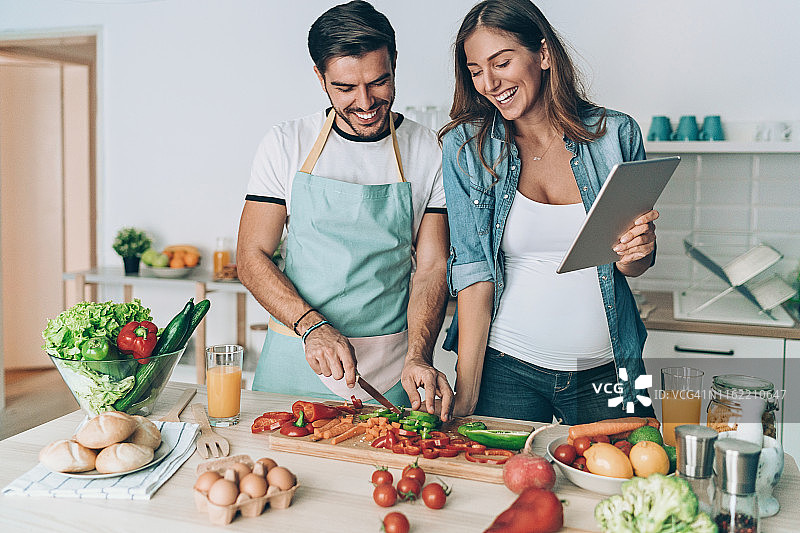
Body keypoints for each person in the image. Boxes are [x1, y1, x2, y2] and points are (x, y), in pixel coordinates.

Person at [439, 0, 657, 424]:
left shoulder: (616, 135)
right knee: (503, 488)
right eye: (475, 70)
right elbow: (472, 271)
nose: (488, 82)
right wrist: (466, 392)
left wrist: (640, 251)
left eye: (501, 62)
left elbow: (634, 264)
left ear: (543, 54)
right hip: (506, 369)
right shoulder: (467, 148)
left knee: (639, 481)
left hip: (610, 369)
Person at [238, 0, 453, 420]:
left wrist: (418, 355)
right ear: (320, 77)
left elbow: (432, 267)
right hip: (299, 349)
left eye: (379, 82)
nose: (366, 101)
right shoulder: (286, 143)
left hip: (393, 367)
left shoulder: (428, 148)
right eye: (345, 88)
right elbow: (250, 257)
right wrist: (313, 326)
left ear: (394, 64)